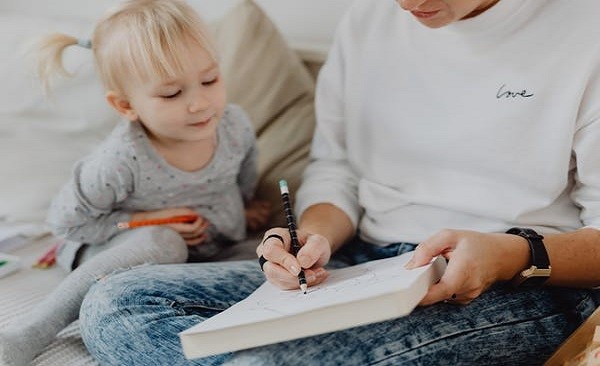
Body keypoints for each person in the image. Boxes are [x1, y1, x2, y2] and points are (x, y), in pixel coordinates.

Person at [76, 0, 600, 364]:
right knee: (113, 305)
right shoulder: (369, 18)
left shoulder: (585, 32)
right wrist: (310, 236)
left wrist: (509, 255)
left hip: (518, 285)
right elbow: (337, 168)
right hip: (366, 265)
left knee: (269, 362)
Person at [0, 0, 271, 365]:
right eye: (172, 93)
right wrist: (150, 219)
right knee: (165, 242)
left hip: (208, 251)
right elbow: (66, 224)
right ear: (126, 105)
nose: (200, 102)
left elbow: (244, 176)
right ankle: (30, 331)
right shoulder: (119, 161)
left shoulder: (234, 126)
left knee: (268, 256)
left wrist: (246, 207)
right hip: (111, 249)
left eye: (209, 79)